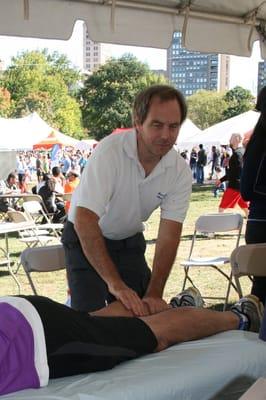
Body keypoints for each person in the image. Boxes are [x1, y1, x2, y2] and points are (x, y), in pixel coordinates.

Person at [62, 85, 192, 313]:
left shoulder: (179, 171)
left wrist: (154, 292)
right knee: (90, 321)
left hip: (128, 240)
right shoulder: (109, 152)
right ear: (138, 122)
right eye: (157, 125)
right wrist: (116, 285)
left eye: (173, 127)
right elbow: (85, 220)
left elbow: (169, 236)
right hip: (85, 237)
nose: (165, 135)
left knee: (146, 313)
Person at [0, 288, 263, 396]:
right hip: (20, 317)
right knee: (93, 322)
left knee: (154, 335)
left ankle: (240, 318)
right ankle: (171, 309)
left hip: (36, 339)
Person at [240, 86, 266, 305]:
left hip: (257, 223)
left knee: (261, 290)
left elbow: (246, 191)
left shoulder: (256, 143)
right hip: (261, 224)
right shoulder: (259, 145)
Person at [216, 133, 249, 217]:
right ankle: (249, 216)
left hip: (235, 185)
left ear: (237, 139)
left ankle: (217, 223)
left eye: (231, 138)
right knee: (243, 203)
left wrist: (221, 180)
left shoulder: (238, 154)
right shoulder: (243, 151)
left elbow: (236, 172)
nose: (229, 140)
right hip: (241, 184)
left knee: (222, 207)